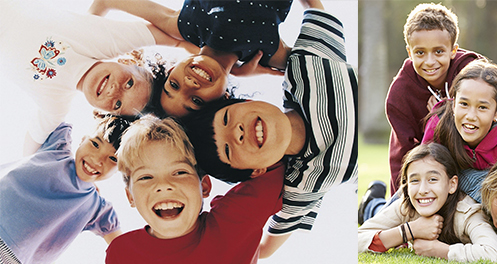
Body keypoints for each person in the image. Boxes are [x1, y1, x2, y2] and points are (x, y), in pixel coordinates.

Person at [175, 4, 356, 257]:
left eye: (227, 119)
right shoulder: (300, 185)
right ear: (257, 171)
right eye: (228, 149)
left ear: (247, 102)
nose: (237, 133)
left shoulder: (303, 68)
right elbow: (263, 250)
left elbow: (316, 10)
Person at [0, 1, 189, 156]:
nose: (114, 90)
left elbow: (29, 150)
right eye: (129, 83)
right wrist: (195, 50)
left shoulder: (56, 105)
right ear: (128, 61)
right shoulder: (101, 42)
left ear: (103, 112)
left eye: (117, 104)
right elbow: (168, 36)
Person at [105, 116, 285, 263]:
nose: (163, 185)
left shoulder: (233, 223)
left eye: (180, 172)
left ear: (204, 185)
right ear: (130, 197)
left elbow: (277, 153)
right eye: (145, 177)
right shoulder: (121, 254)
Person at [89, 0, 297, 117]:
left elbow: (107, 1)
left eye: (174, 84)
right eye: (196, 100)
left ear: (171, 71)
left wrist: (85, 55)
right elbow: (319, 54)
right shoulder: (266, 54)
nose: (189, 84)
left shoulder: (185, 26)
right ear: (223, 99)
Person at [386, 3, 487, 195]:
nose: (430, 61)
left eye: (438, 52)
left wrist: (446, 111)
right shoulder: (400, 94)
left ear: (453, 50)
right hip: (423, 171)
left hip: (472, 164)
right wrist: (401, 198)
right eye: (420, 53)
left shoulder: (472, 72)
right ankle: (372, 204)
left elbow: (488, 116)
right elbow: (403, 153)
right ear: (409, 52)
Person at [0, 116, 130, 263]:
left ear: (120, 169)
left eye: (113, 158)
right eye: (95, 144)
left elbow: (124, 251)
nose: (97, 159)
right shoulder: (57, 147)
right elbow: (54, 105)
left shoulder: (97, 208)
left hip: (11, 258)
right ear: (83, 140)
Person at [358, 143, 497, 262]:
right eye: (414, 180)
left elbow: (495, 255)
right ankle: (371, 201)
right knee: (375, 211)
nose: (422, 190)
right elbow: (354, 240)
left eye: (433, 179)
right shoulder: (405, 206)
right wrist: (409, 231)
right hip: (390, 211)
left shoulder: (467, 212)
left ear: (452, 184)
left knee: (374, 210)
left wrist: (439, 250)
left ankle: (371, 202)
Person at [422, 60, 497, 170]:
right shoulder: (438, 125)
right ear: (453, 105)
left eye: (482, 107)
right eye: (464, 104)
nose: (470, 116)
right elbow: (422, 169)